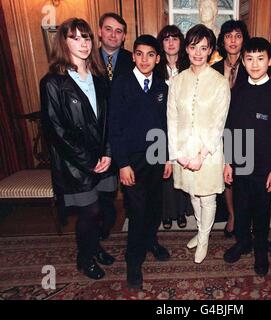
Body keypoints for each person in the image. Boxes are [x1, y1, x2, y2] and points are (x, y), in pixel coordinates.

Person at [40, 18, 117, 280]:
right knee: (90, 211)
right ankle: (85, 258)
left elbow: (109, 120)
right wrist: (89, 161)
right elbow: (55, 131)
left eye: (86, 37)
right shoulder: (52, 82)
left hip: (104, 160)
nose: (83, 43)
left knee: (106, 210)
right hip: (75, 164)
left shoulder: (99, 78)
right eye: (75, 38)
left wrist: (107, 152)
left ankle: (95, 248)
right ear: (64, 42)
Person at [222, 37, 271, 276]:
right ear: (243, 61)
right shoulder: (237, 92)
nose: (254, 64)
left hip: (265, 168)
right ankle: (242, 242)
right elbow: (229, 129)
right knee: (241, 209)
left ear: (270, 61)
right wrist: (229, 162)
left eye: (260, 59)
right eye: (250, 59)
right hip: (240, 164)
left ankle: (261, 250)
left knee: (261, 213)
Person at [108, 35, 171, 289]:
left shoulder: (161, 86)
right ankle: (133, 260)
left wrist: (167, 156)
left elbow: (166, 125)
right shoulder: (120, 84)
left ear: (157, 59)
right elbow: (114, 127)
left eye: (150, 55)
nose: (145, 59)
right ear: (133, 56)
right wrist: (122, 164)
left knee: (155, 206)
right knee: (136, 211)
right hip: (131, 161)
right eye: (140, 54)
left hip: (157, 157)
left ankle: (150, 240)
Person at [167, 24, 230, 264]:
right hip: (183, 151)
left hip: (209, 152)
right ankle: (201, 230)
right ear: (187, 48)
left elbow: (218, 122)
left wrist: (201, 155)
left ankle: (204, 238)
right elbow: (171, 118)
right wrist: (178, 154)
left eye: (204, 48)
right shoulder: (178, 80)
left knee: (208, 197)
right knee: (193, 193)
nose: (198, 52)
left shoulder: (219, 82)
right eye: (193, 47)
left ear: (211, 50)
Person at [212, 19, 250, 238]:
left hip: (246, 131)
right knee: (226, 177)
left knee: (244, 177)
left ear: (243, 39)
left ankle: (244, 218)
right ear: (222, 40)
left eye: (237, 35)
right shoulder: (215, 69)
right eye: (228, 36)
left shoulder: (252, 65)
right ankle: (232, 215)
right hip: (221, 131)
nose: (233, 40)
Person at [155, 25, 193, 230]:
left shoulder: (189, 67)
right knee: (165, 171)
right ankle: (167, 213)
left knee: (182, 168)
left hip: (184, 126)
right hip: (160, 126)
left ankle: (181, 211)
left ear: (181, 42)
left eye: (175, 38)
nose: (170, 42)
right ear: (162, 43)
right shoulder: (155, 67)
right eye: (166, 39)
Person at [98, 12, 134, 84]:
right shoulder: (89, 59)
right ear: (100, 32)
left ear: (123, 36)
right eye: (108, 29)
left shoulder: (133, 60)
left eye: (118, 31)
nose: (113, 35)